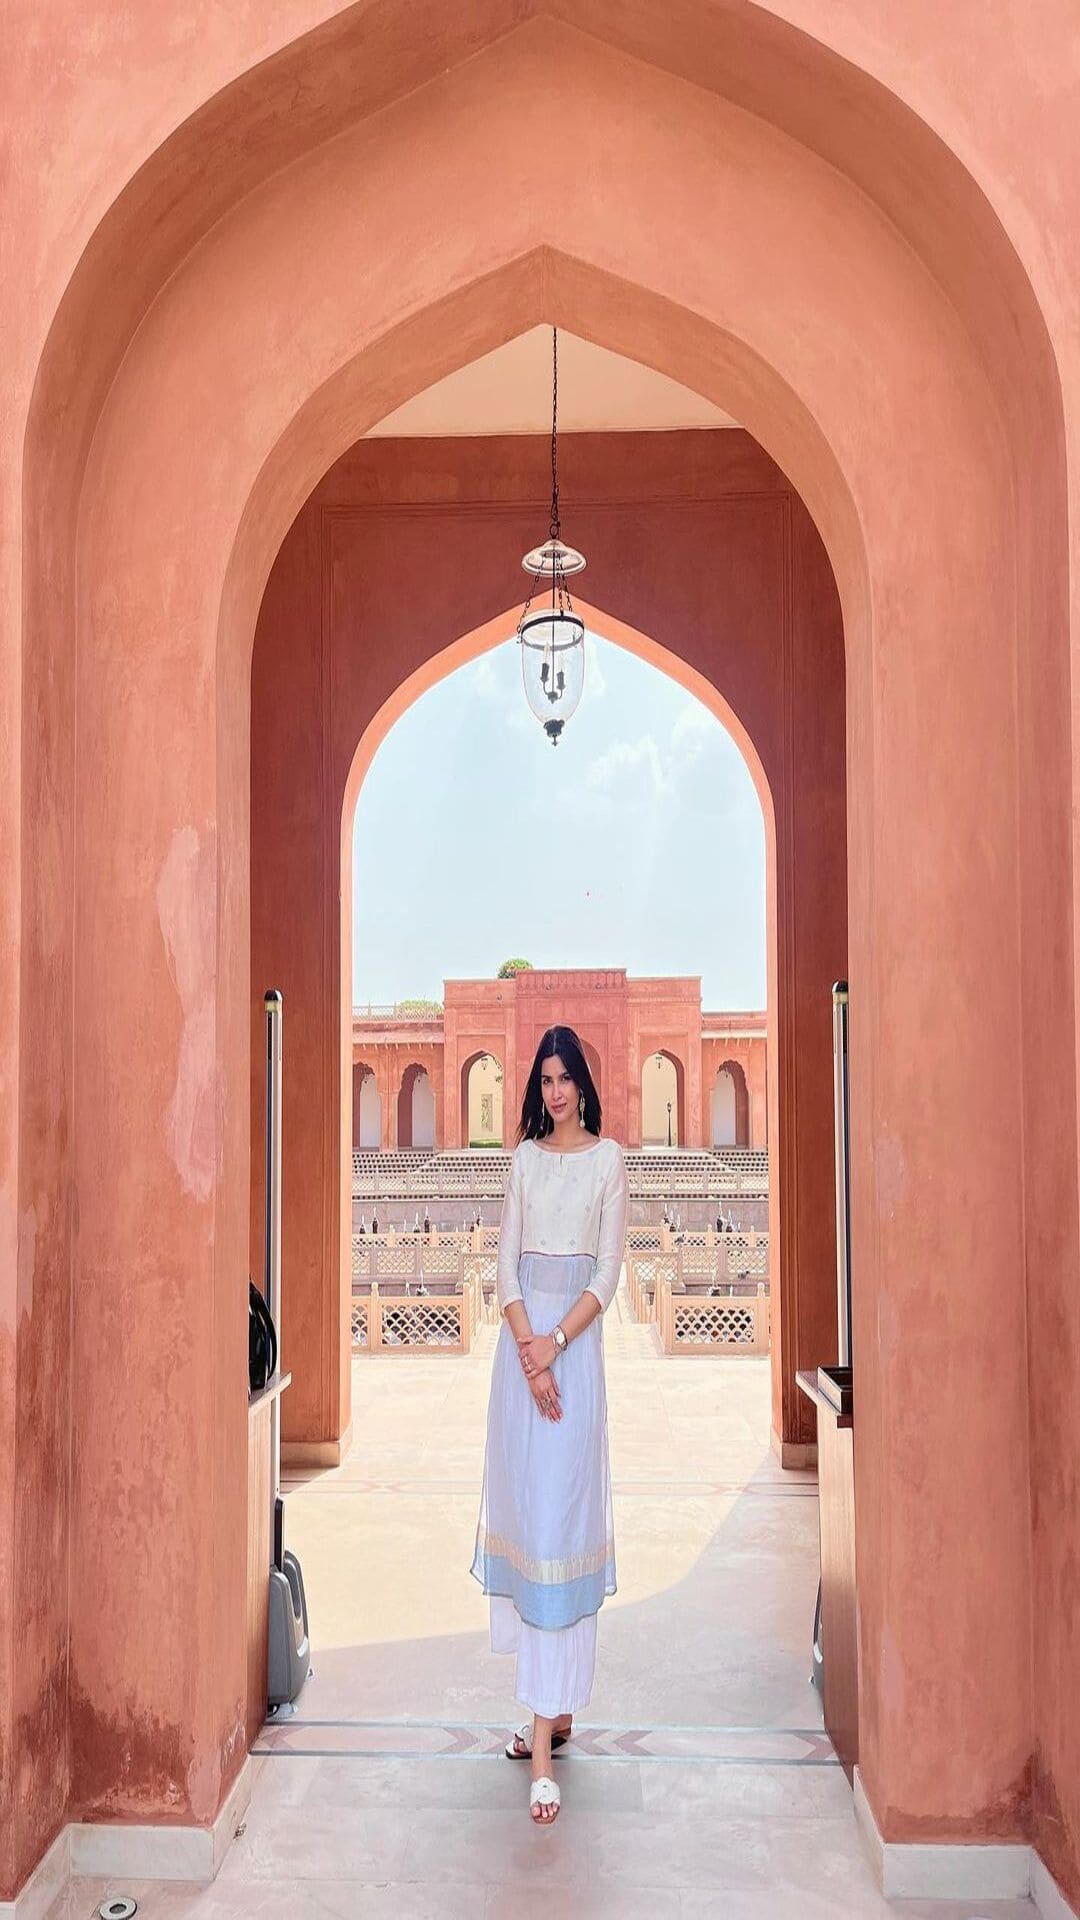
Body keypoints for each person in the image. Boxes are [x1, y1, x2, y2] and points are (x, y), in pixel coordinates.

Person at [469, 1024, 628, 1826]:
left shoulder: (608, 1161)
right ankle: (543, 1730)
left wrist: (556, 1346)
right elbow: (502, 1264)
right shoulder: (525, 1161)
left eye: (566, 1078)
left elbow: (607, 1270)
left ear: (583, 1085)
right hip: (522, 1359)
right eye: (546, 1079)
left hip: (573, 1357)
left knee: (564, 1525)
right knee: (534, 1525)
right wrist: (529, 1357)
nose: (555, 1092)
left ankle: (550, 1728)